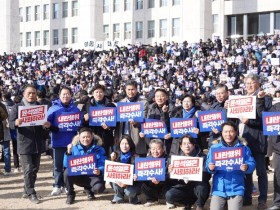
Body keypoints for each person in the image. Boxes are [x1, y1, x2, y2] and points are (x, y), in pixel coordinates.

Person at [9, 84, 50, 204]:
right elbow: (10, 124)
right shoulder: (17, 107)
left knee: (35, 169)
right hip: (24, 143)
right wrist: (15, 122)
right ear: (23, 94)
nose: (32, 95)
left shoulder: (40, 107)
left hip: (37, 143)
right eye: (29, 93)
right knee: (27, 170)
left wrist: (46, 126)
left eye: (33, 93)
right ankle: (32, 193)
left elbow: (43, 127)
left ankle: (26, 189)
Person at [206, 122, 256, 210]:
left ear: (236, 133)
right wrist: (210, 168)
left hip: (236, 188)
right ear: (221, 133)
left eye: (231, 131)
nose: (228, 134)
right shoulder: (214, 148)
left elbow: (252, 163)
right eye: (225, 132)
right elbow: (208, 165)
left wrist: (247, 167)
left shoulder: (243, 148)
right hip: (219, 189)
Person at [241, 74, 272, 209]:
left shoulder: (265, 98)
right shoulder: (241, 100)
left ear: (258, 83)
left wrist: (249, 122)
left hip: (257, 140)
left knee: (260, 172)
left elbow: (264, 120)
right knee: (246, 170)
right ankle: (247, 198)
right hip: (243, 140)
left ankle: (262, 200)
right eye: (246, 83)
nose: (249, 85)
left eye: (251, 83)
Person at [47, 87, 82, 196]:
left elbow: (79, 125)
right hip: (58, 141)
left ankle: (68, 185)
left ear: (71, 95)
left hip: (72, 143)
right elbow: (47, 124)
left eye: (67, 94)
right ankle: (57, 185)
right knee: (57, 166)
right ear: (59, 95)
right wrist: (51, 127)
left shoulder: (76, 109)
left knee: (69, 165)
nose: (65, 96)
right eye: (63, 94)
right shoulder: (53, 108)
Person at [166, 134, 211, 210]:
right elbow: (170, 179)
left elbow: (207, 176)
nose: (187, 146)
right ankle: (187, 204)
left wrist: (195, 175)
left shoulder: (202, 157)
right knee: (169, 195)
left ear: (193, 145)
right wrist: (170, 172)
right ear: (180, 146)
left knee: (202, 187)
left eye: (189, 143)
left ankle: (199, 205)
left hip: (197, 186)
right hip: (182, 186)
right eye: (184, 144)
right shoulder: (175, 159)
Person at [63, 127, 106, 205]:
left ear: (92, 136)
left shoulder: (99, 149)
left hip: (92, 176)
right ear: (79, 137)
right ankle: (70, 194)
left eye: (88, 136)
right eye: (83, 137)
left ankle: (89, 190)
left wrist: (99, 171)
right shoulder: (74, 147)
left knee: (99, 189)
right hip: (78, 176)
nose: (86, 139)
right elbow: (66, 165)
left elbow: (102, 163)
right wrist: (68, 152)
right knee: (67, 172)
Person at [114, 80, 149, 156]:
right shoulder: (121, 103)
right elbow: (118, 122)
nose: (131, 92)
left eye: (133, 89)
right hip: (123, 136)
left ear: (136, 89)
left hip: (136, 136)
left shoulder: (143, 103)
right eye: (128, 90)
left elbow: (145, 119)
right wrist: (117, 135)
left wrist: (136, 122)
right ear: (125, 90)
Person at [84, 84, 116, 157]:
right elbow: (82, 124)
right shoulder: (87, 105)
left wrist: (109, 127)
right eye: (96, 92)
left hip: (106, 138)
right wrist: (85, 119)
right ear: (93, 93)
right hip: (91, 138)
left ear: (104, 93)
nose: (99, 94)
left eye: (101, 92)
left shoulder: (110, 105)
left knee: (104, 159)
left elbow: (116, 122)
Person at [110, 135, 142, 204]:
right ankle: (118, 197)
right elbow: (111, 171)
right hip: (119, 181)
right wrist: (112, 160)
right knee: (114, 181)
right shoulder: (116, 155)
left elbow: (139, 174)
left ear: (130, 145)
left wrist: (128, 182)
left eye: (127, 143)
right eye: (122, 144)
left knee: (129, 192)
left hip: (133, 183)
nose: (124, 146)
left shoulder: (136, 157)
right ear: (119, 145)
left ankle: (134, 198)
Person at [143, 88, 175, 155]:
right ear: (154, 98)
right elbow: (147, 124)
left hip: (168, 141)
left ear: (166, 97)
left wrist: (165, 113)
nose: (159, 98)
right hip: (154, 141)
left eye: (162, 96)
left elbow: (174, 126)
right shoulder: (150, 108)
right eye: (157, 96)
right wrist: (143, 131)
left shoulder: (173, 109)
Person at [139, 139, 168, 207]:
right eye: (153, 149)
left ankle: (166, 198)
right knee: (141, 182)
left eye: (158, 149)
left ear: (163, 149)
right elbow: (142, 174)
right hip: (151, 184)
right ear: (150, 150)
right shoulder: (147, 159)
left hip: (164, 185)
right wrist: (137, 176)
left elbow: (170, 176)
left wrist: (160, 180)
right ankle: (151, 199)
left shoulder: (168, 159)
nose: (155, 151)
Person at [267, 101, 280, 210]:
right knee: (278, 178)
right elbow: (266, 119)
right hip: (279, 149)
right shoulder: (276, 106)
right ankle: (277, 203)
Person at [0, 91, 11, 175]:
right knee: (6, 150)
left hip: (4, 130)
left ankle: (7, 169)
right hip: (4, 130)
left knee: (6, 150)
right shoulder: (3, 105)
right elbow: (7, 117)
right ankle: (7, 169)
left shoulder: (3, 105)